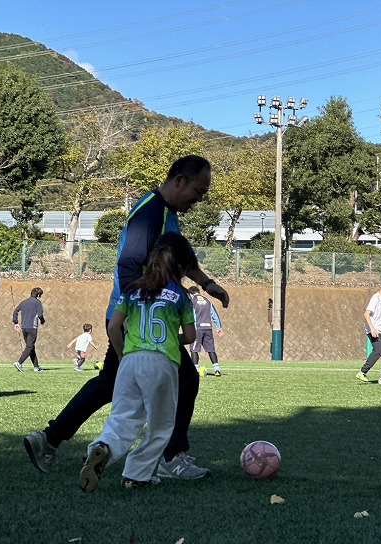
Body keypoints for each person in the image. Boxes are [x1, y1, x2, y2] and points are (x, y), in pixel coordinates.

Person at [24, 155, 229, 479]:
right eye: (198, 191)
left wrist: (208, 283)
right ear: (179, 181)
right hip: (136, 319)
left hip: (134, 316)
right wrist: (139, 313)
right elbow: (129, 264)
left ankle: (49, 439)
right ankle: (170, 457)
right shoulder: (150, 213)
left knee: (112, 382)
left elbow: (180, 258)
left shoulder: (166, 214)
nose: (200, 199)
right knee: (184, 380)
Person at [80, 233, 197, 492]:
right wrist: (171, 338)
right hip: (162, 363)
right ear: (180, 267)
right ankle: (136, 475)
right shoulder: (180, 296)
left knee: (123, 416)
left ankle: (103, 446)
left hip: (131, 361)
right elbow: (191, 336)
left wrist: (122, 355)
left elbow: (113, 326)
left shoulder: (132, 289)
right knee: (161, 426)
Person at [356, 276, 381, 384]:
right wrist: (372, 329)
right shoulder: (375, 298)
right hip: (373, 331)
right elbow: (366, 314)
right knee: (378, 350)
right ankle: (362, 372)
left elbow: (380, 314)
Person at [187, 285, 225, 377]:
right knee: (211, 349)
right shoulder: (207, 300)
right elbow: (214, 314)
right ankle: (217, 370)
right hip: (208, 328)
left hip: (197, 328)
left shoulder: (192, 301)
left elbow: (191, 315)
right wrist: (219, 328)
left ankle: (195, 370)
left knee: (194, 350)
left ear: (191, 294)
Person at [12, 287, 46, 373]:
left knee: (31, 347)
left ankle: (36, 366)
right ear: (38, 295)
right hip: (32, 327)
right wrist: (42, 321)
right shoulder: (37, 302)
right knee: (29, 347)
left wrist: (16, 322)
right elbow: (40, 315)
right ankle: (19, 363)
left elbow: (15, 311)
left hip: (24, 327)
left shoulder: (24, 302)